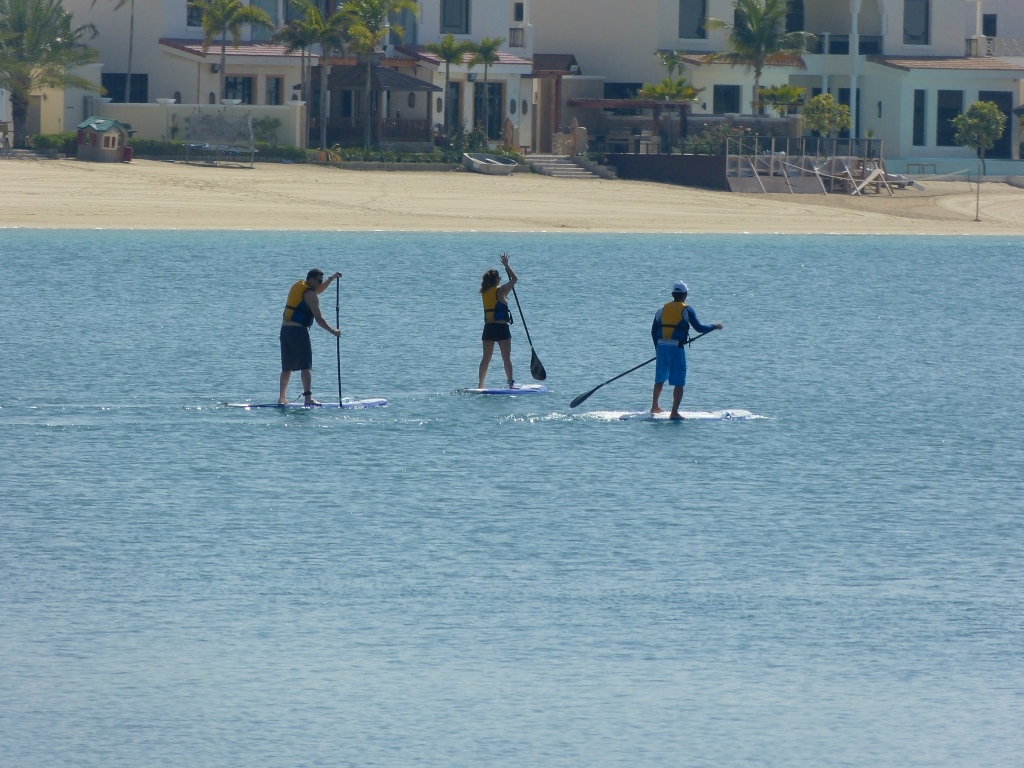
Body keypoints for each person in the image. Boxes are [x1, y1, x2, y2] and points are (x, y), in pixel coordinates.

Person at [651, 280, 722, 420]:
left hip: (661, 348)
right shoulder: (687, 310)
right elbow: (699, 328)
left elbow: (653, 331)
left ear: (672, 294)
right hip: (676, 349)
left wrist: (657, 349)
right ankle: (674, 413)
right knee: (679, 381)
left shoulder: (661, 310)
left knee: (660, 379)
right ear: (685, 295)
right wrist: (714, 326)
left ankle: (654, 406)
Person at [279, 268, 342, 405]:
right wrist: (333, 331)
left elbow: (318, 290)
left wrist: (331, 278)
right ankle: (308, 399)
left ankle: (282, 398)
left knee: (287, 367)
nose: (320, 284)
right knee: (306, 366)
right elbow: (319, 319)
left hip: (285, 331)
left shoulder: (299, 286)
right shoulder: (311, 295)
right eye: (319, 281)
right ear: (312, 280)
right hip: (298, 332)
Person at [478, 253, 518, 389]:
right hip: (501, 329)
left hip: (488, 328)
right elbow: (515, 279)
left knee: (486, 358)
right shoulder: (500, 291)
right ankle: (510, 384)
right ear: (496, 280)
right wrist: (506, 264)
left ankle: (480, 384)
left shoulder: (484, 292)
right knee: (506, 357)